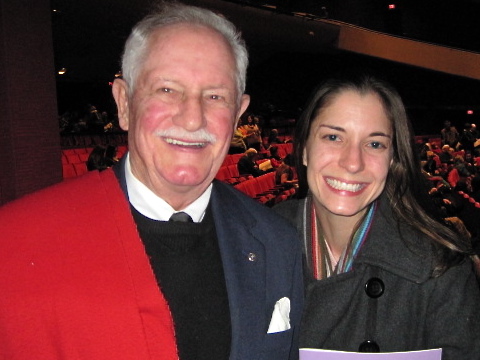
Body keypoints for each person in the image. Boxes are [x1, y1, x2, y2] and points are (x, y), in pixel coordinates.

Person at [0, 3, 303, 360]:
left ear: (238, 113)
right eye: (167, 90)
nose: (192, 119)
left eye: (215, 96)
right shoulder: (18, 243)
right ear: (124, 103)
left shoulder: (277, 243)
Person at [274, 72, 480, 358]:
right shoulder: (252, 247)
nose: (353, 163)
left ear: (393, 158)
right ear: (305, 149)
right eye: (333, 137)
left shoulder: (441, 268)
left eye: (374, 144)